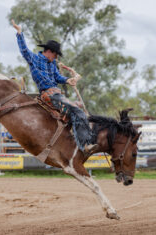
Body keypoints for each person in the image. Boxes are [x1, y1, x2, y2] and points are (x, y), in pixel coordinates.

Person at [11, 20, 96, 154]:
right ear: (49, 52)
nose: (56, 57)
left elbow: (58, 77)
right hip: (49, 94)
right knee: (77, 110)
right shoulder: (34, 59)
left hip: (57, 94)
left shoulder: (52, 64)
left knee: (77, 107)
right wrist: (20, 33)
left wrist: (69, 80)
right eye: (55, 54)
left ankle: (75, 140)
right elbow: (24, 50)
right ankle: (85, 144)